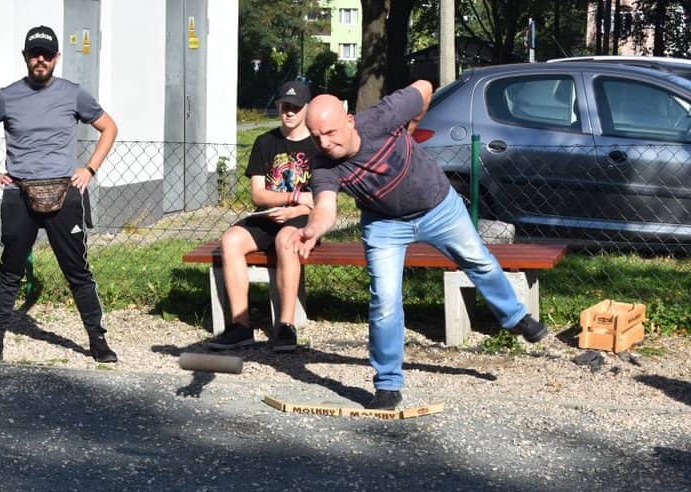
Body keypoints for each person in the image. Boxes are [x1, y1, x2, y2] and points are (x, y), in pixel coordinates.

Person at [292, 82, 548, 410]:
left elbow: (425, 87)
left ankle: (514, 317)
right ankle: (388, 385)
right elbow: (326, 207)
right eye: (316, 137)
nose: (325, 143)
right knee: (384, 301)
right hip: (385, 225)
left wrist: (412, 124)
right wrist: (313, 229)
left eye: (330, 133)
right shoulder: (323, 164)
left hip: (439, 207)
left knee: (478, 261)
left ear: (350, 120)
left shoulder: (383, 117)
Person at [0, 25, 119, 363]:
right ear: (25, 56)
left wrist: (89, 169)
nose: (40, 59)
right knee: (10, 271)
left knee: (77, 271)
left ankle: (98, 341)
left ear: (56, 58)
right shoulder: (6, 97)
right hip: (19, 195)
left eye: (47, 54)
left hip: (65, 193)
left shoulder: (74, 94)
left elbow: (109, 127)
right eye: (35, 53)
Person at [208, 80, 316, 353]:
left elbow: (321, 200)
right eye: (284, 106)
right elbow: (258, 195)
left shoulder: (317, 145)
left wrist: (295, 209)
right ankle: (240, 325)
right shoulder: (265, 142)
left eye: (295, 107)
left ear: (307, 108)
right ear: (277, 106)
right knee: (231, 240)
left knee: (286, 241)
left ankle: (285, 326)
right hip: (271, 214)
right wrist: (294, 197)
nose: (289, 112)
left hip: (303, 217)